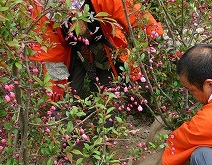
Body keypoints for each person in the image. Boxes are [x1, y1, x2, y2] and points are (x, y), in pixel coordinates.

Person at [30, 0, 163, 101]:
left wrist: (156, 36)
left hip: (104, 43)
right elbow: (51, 53)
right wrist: (57, 90)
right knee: (65, 97)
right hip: (71, 51)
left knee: (109, 93)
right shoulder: (41, 11)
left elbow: (130, 12)